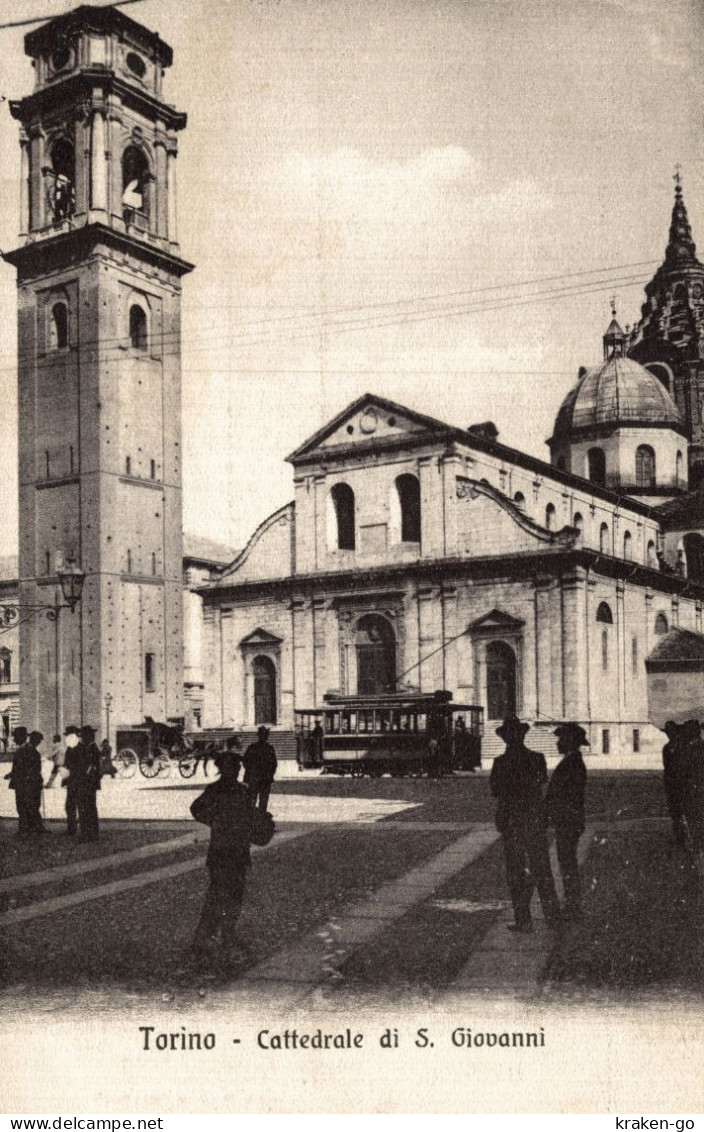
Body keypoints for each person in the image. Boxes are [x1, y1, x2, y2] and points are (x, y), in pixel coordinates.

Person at [190, 747, 274, 965]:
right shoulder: (215, 790)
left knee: (235, 895)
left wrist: (261, 820)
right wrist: (215, 821)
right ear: (222, 769)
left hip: (236, 852)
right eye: (232, 767)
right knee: (217, 895)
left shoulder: (244, 791)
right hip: (222, 852)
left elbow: (250, 816)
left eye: (237, 767)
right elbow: (196, 809)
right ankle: (204, 936)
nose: (236, 771)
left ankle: (227, 932)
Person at [490, 714, 560, 933]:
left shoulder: (500, 763)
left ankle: (523, 920)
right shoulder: (537, 758)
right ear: (522, 736)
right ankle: (553, 917)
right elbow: (540, 783)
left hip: (511, 821)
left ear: (505, 739)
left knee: (516, 872)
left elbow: (496, 791)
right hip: (533, 819)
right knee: (542, 869)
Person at [546, 722, 589, 919]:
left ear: (570, 741)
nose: (558, 743)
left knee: (567, 862)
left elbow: (563, 795)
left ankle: (573, 906)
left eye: (561, 739)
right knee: (567, 861)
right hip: (569, 819)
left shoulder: (571, 763)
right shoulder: (573, 761)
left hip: (567, 820)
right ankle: (573, 904)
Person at [65, 725, 101, 841]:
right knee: (85, 808)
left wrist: (86, 774)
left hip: (88, 783)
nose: (83, 738)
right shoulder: (84, 748)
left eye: (84, 736)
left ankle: (90, 833)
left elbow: (94, 768)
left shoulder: (93, 749)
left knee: (88, 808)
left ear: (90, 737)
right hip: (84, 783)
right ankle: (87, 833)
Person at [6, 726, 44, 838]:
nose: (14, 739)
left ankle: (25, 831)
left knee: (23, 807)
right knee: (24, 807)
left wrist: (15, 775)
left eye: (15, 737)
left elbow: (28, 770)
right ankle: (29, 829)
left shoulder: (25, 751)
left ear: (21, 737)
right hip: (24, 784)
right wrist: (11, 774)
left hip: (25, 785)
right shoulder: (26, 750)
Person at [679, 719, 704, 878]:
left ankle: (699, 861)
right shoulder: (697, 748)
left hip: (693, 794)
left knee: (695, 827)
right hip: (696, 793)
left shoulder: (688, 750)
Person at [661, 721, 687, 847]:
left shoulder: (682, 747)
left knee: (682, 809)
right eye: (668, 732)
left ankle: (683, 834)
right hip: (671, 783)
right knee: (674, 811)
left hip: (680, 783)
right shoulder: (666, 748)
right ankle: (678, 834)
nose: (670, 735)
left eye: (671, 732)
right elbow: (666, 766)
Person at [242, 726, 278, 812]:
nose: (264, 737)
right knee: (262, 801)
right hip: (264, 779)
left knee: (252, 800)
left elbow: (245, 762)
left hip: (254, 778)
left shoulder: (252, 747)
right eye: (264, 735)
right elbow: (274, 764)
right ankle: (259, 819)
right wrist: (269, 774)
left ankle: (252, 818)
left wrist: (251, 772)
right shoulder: (269, 748)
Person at [61, 725, 80, 835]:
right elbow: (67, 764)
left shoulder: (77, 749)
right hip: (71, 781)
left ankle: (73, 828)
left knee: (73, 805)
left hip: (76, 781)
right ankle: (72, 827)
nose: (66, 737)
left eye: (67, 735)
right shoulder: (70, 748)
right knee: (70, 805)